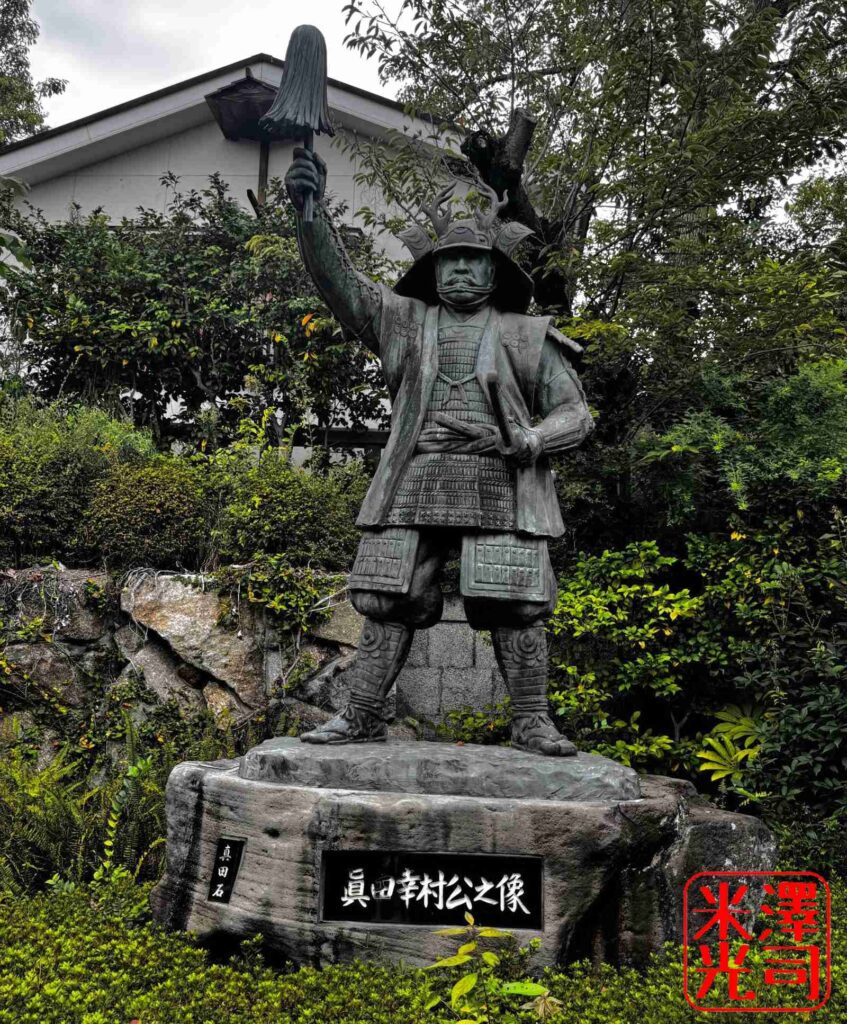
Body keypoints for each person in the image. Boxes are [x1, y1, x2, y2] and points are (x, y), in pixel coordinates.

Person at [285, 150, 594, 755]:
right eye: (448, 261)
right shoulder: (401, 321)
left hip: (499, 478)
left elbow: (576, 413)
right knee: (387, 595)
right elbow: (341, 286)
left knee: (516, 602)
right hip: (417, 473)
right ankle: (361, 713)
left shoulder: (526, 335)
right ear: (433, 270)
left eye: (471, 262)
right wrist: (311, 213)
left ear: (494, 271)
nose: (458, 272)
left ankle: (531, 719)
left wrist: (530, 439)